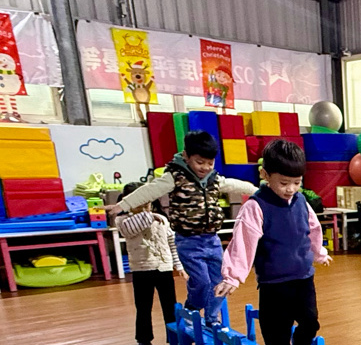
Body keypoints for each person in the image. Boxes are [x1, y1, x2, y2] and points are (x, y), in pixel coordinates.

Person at [107, 131, 257, 326]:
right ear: (186, 156)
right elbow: (149, 190)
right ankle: (192, 309)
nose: (205, 168)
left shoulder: (213, 179)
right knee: (201, 283)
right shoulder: (175, 177)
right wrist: (123, 205)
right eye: (200, 162)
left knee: (220, 281)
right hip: (188, 241)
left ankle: (212, 318)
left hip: (212, 239)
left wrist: (259, 191)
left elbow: (235, 185)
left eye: (210, 163)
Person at [215, 139, 331, 345]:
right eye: (284, 183)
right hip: (274, 283)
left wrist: (319, 252)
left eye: (297, 183)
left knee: (310, 322)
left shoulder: (301, 201)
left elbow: (312, 229)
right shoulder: (256, 206)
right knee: (277, 331)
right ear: (265, 174)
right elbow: (244, 242)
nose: (290, 189)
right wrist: (233, 277)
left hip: (303, 278)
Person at [115, 184, 187, 345]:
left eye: (147, 201)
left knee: (170, 306)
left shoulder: (161, 219)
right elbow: (131, 229)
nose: (144, 206)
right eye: (138, 202)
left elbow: (171, 243)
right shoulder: (122, 220)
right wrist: (149, 215)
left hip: (164, 268)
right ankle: (143, 338)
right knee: (143, 306)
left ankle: (174, 339)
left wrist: (179, 265)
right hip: (142, 269)